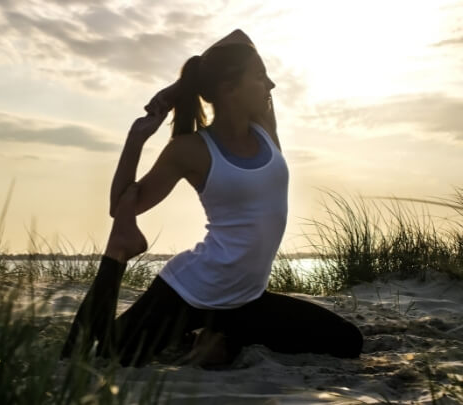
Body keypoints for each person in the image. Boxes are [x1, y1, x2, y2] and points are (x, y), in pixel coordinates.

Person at [60, 29, 364, 367]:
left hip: (246, 300)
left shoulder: (264, 126)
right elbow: (122, 206)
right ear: (229, 88)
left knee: (348, 342)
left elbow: (242, 36)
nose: (271, 85)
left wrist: (181, 87)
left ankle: (213, 337)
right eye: (261, 76)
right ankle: (131, 266)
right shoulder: (190, 150)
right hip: (190, 291)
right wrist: (136, 139)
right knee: (106, 357)